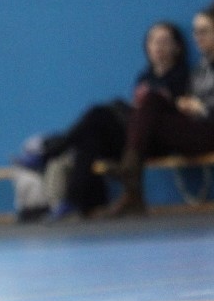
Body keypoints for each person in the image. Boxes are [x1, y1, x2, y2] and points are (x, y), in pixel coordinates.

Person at [38, 21, 189, 218]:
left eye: (164, 41)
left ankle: (54, 149)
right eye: (153, 41)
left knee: (98, 113)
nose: (158, 47)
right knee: (91, 137)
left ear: (177, 47)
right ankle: (77, 202)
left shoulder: (183, 76)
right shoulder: (144, 77)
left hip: (157, 139)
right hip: (135, 136)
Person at [100, 5, 214, 216]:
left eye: (204, 31)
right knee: (149, 104)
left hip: (209, 129)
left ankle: (130, 177)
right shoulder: (200, 69)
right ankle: (131, 183)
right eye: (195, 32)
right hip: (193, 126)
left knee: (151, 104)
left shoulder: (192, 71)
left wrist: (202, 107)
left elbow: (204, 107)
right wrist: (185, 104)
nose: (198, 37)